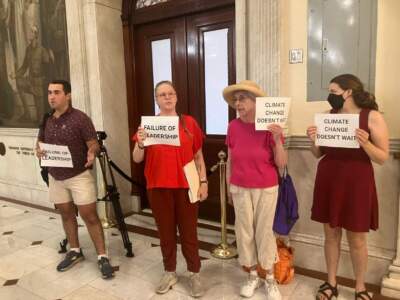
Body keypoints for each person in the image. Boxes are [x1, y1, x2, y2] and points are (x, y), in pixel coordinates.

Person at [306, 74, 389, 300]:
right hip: (329, 178)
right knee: (330, 235)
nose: (329, 97)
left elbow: (382, 157)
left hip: (357, 181)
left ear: (348, 92)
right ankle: (331, 282)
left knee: (357, 239)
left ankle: (360, 286)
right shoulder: (327, 117)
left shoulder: (372, 117)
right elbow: (318, 154)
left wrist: (366, 143)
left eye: (333, 92)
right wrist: (312, 140)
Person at [132, 80, 208, 298]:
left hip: (186, 186)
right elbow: (137, 158)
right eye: (162, 94)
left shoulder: (189, 123)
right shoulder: (147, 126)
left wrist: (203, 181)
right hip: (158, 186)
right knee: (165, 233)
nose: (167, 97)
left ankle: (194, 273)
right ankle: (170, 271)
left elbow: (198, 156)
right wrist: (140, 142)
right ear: (156, 99)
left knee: (189, 233)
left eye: (170, 93)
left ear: (176, 97)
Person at [36, 80, 114, 279]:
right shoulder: (47, 119)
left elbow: (93, 143)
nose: (51, 96)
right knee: (66, 214)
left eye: (56, 92)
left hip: (79, 175)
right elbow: (41, 142)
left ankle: (103, 256)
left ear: (67, 95)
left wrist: (91, 152)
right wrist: (39, 150)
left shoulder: (80, 118)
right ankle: (75, 251)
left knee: (90, 216)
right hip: (56, 176)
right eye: (49, 92)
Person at [223, 80, 287, 299]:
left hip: (267, 186)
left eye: (242, 98)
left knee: (264, 232)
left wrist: (278, 140)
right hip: (239, 186)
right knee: (244, 231)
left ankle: (269, 277)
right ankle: (252, 275)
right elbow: (230, 159)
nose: (237, 103)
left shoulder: (270, 126)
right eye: (235, 99)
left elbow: (281, 163)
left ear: (255, 101)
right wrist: (228, 188)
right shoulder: (233, 126)